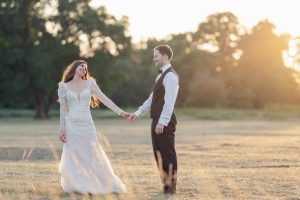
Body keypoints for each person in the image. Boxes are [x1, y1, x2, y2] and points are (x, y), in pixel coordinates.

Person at [57, 60, 129, 194]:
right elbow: (63, 109)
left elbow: (104, 99)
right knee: (75, 154)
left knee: (92, 152)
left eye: (86, 68)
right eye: (81, 66)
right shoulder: (63, 87)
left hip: (87, 124)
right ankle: (77, 184)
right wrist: (62, 129)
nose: (84, 68)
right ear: (74, 68)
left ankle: (99, 182)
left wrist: (121, 112)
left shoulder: (90, 83)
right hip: (71, 125)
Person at [129, 45, 179, 194]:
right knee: (159, 154)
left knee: (167, 153)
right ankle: (166, 185)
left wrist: (162, 122)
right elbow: (152, 99)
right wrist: (137, 113)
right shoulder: (160, 76)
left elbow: (170, 101)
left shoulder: (170, 76)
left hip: (164, 121)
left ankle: (171, 187)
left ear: (164, 56)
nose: (154, 58)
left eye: (156, 55)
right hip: (156, 119)